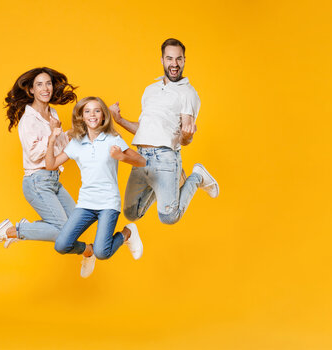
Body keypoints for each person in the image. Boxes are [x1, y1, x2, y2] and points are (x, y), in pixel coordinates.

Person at [109, 38, 219, 225]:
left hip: (166, 158)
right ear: (162, 60)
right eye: (169, 59)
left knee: (169, 217)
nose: (174, 64)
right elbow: (144, 130)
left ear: (184, 60)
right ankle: (166, 183)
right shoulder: (150, 90)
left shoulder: (188, 93)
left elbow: (185, 139)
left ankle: (197, 176)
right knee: (131, 213)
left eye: (178, 59)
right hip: (141, 157)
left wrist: (187, 135)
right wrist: (119, 120)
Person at [45, 97, 146, 278]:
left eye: (97, 111)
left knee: (103, 252)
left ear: (103, 116)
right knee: (61, 245)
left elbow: (141, 161)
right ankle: (88, 251)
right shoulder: (76, 143)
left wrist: (121, 157)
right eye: (87, 111)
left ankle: (127, 233)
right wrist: (52, 138)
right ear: (82, 117)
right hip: (86, 204)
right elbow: (51, 165)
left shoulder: (112, 139)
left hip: (108, 203)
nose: (92, 115)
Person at [0, 67, 77, 248]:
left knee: (75, 224)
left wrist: (72, 133)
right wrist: (53, 134)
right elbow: (34, 153)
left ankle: (24, 228)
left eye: (48, 83)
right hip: (37, 181)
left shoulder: (52, 113)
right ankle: (12, 231)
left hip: (53, 179)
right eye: (39, 84)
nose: (45, 88)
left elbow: (57, 145)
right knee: (64, 229)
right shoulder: (28, 120)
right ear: (31, 90)